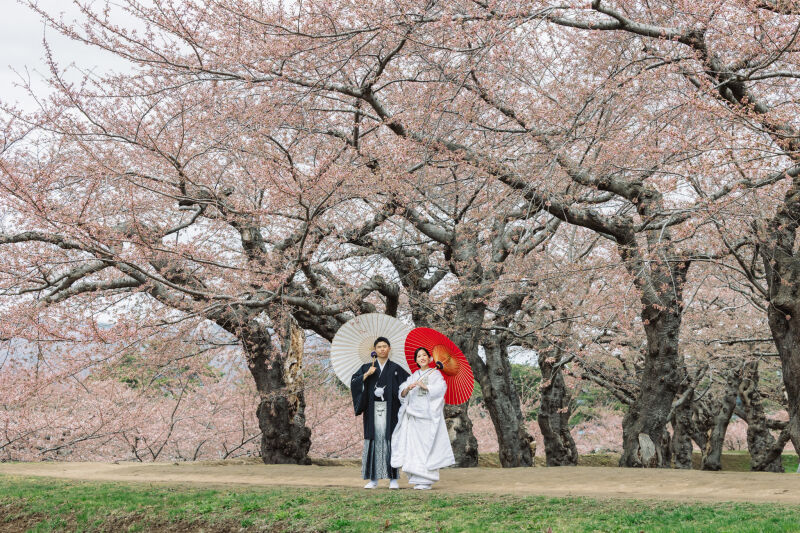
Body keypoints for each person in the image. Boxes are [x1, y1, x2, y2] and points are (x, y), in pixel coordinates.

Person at [391, 347, 455, 490]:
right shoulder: (413, 376)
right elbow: (402, 393)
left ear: (430, 358)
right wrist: (408, 389)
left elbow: (440, 389)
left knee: (427, 447)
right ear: (416, 360)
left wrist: (425, 386)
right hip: (414, 416)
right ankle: (417, 478)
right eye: (419, 356)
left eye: (424, 355)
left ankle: (427, 479)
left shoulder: (436, 374)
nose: (422, 358)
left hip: (427, 416)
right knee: (413, 448)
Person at [350, 336, 409, 489]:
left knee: (391, 442)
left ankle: (393, 478)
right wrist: (367, 375)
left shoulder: (396, 368)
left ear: (389, 349)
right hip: (372, 410)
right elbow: (354, 382)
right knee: (373, 442)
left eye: (385, 346)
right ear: (374, 350)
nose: (382, 349)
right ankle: (373, 479)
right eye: (379, 347)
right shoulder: (366, 367)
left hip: (391, 411)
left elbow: (406, 385)